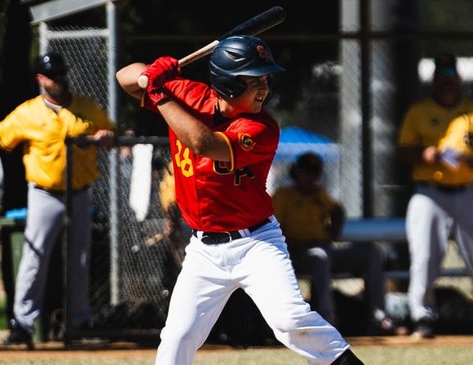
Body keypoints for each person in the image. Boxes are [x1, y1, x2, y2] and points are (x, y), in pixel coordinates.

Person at [116, 35, 364, 364]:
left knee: (289, 321)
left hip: (256, 243)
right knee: (178, 335)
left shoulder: (262, 127)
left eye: (265, 79)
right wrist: (158, 70)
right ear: (228, 84)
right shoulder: (188, 95)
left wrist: (159, 91)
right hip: (204, 249)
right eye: (253, 80)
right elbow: (125, 77)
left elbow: (202, 142)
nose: (264, 88)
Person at [0, 52, 116, 348]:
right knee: (34, 258)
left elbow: (112, 131)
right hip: (45, 194)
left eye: (61, 73)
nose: (59, 79)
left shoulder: (87, 107)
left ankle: (79, 322)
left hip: (81, 192)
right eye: (52, 75)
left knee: (81, 258)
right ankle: (22, 323)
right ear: (40, 79)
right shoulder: (29, 112)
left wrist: (110, 137)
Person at [396, 53, 473, 340]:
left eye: (451, 76)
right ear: (435, 80)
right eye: (442, 77)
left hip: (466, 192)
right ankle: (422, 316)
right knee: (425, 257)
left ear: (458, 79)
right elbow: (403, 152)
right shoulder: (419, 111)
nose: (448, 82)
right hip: (430, 193)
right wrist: (424, 155)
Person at [272, 151, 396, 335]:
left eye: (314, 172)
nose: (310, 177)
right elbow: (275, 228)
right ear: (296, 172)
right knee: (319, 257)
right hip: (296, 253)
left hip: (324, 248)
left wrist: (333, 233)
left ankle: (379, 317)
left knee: (372, 253)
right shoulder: (284, 195)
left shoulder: (320, 194)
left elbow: (337, 210)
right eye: (306, 172)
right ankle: (327, 319)